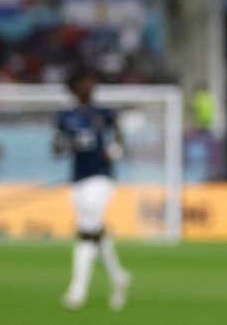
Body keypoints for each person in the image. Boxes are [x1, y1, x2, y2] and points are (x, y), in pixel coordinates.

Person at [53, 68, 132, 311]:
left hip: (101, 177)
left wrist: (115, 150)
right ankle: (119, 276)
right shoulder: (66, 117)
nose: (89, 85)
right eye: (84, 81)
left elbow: (119, 136)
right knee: (92, 228)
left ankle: (77, 291)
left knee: (87, 226)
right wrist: (68, 145)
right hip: (79, 178)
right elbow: (56, 148)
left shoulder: (104, 113)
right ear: (75, 87)